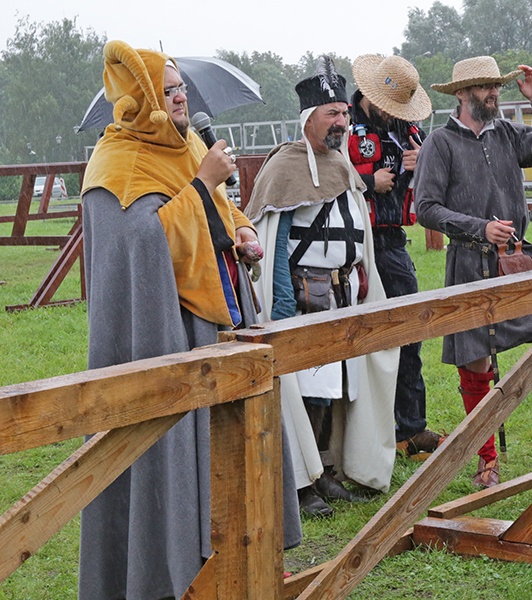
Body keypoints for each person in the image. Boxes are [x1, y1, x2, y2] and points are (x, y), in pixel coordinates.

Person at [78, 40, 302, 599]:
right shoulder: (117, 166)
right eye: (170, 91)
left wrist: (244, 230)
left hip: (220, 319)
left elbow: (224, 213)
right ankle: (172, 573)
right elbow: (143, 244)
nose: (181, 99)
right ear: (143, 99)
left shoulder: (187, 145)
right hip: (166, 336)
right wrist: (202, 183)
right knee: (175, 451)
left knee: (235, 438)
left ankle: (244, 553)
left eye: (181, 90)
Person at [415, 56, 532, 489]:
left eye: (495, 86)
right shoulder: (439, 143)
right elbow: (425, 208)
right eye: (483, 88)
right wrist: (480, 228)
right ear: (461, 94)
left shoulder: (509, 133)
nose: (493, 93)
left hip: (520, 258)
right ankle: (486, 460)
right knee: (475, 364)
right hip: (469, 265)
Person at [243, 56, 399, 518]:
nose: (342, 122)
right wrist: (283, 307)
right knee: (309, 388)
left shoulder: (343, 165)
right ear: (308, 118)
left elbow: (358, 234)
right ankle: (303, 482)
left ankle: (327, 470)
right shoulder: (284, 168)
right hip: (304, 295)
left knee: (340, 386)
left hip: (344, 293)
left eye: (344, 114)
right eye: (332, 114)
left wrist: (364, 279)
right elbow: (274, 244)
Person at [348, 54, 444, 460]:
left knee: (410, 329)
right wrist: (369, 181)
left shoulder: (410, 131)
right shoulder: (342, 126)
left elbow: (434, 177)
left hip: (393, 241)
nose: (396, 113)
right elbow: (324, 173)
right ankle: (361, 433)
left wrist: (421, 166)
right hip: (355, 241)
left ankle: (410, 427)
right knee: (357, 337)